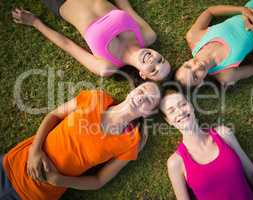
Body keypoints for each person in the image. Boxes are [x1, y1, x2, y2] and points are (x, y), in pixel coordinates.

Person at [0, 82, 161, 200]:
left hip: (34, 195)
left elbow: (99, 181)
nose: (142, 98)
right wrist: (35, 151)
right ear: (132, 91)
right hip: (12, 165)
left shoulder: (130, 143)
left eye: (149, 100)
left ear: (147, 113)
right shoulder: (96, 97)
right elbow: (54, 115)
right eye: (142, 90)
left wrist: (59, 180)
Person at [160, 90, 253, 200]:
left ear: (191, 106)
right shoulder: (175, 162)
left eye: (183, 104)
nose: (180, 112)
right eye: (172, 111)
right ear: (168, 121)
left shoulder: (223, 134)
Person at [11, 0, 171, 80]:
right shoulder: (148, 35)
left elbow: (69, 46)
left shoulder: (107, 67)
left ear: (143, 74)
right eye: (161, 60)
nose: (154, 61)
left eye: (154, 70)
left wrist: (35, 23)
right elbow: (125, 6)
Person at [175, 0, 253, 87]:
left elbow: (210, 11)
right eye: (195, 77)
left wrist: (242, 10)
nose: (197, 67)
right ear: (201, 83)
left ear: (185, 62)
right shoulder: (226, 75)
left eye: (189, 67)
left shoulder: (193, 37)